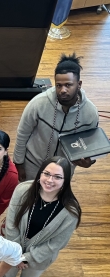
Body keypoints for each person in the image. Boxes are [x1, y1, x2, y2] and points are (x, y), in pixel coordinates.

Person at [0, 156, 81, 277]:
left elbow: (57, 244)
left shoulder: (70, 211)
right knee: (7, 275)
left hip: (39, 258)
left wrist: (25, 258)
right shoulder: (23, 190)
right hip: (13, 248)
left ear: (66, 180)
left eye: (58, 177)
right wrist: (16, 254)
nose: (50, 180)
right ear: (40, 173)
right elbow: (11, 223)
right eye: (46, 174)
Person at [13, 53, 99, 182]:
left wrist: (89, 160)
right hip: (33, 165)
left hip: (63, 170)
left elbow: (90, 145)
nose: (62, 90)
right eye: (59, 85)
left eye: (68, 85)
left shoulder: (90, 113)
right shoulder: (38, 103)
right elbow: (22, 134)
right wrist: (19, 164)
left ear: (79, 84)